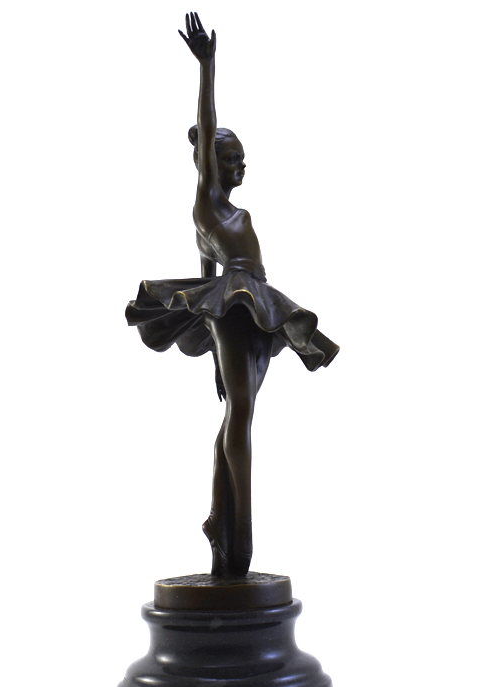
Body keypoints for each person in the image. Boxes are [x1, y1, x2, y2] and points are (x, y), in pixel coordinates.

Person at [125, 13, 338, 577]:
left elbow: (203, 279)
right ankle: (239, 532)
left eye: (243, 158)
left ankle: (221, 520)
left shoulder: (222, 219)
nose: (240, 165)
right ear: (208, 165)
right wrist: (207, 67)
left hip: (256, 308)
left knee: (237, 417)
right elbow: (211, 292)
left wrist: (218, 362)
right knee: (240, 416)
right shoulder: (210, 204)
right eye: (229, 158)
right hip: (238, 302)